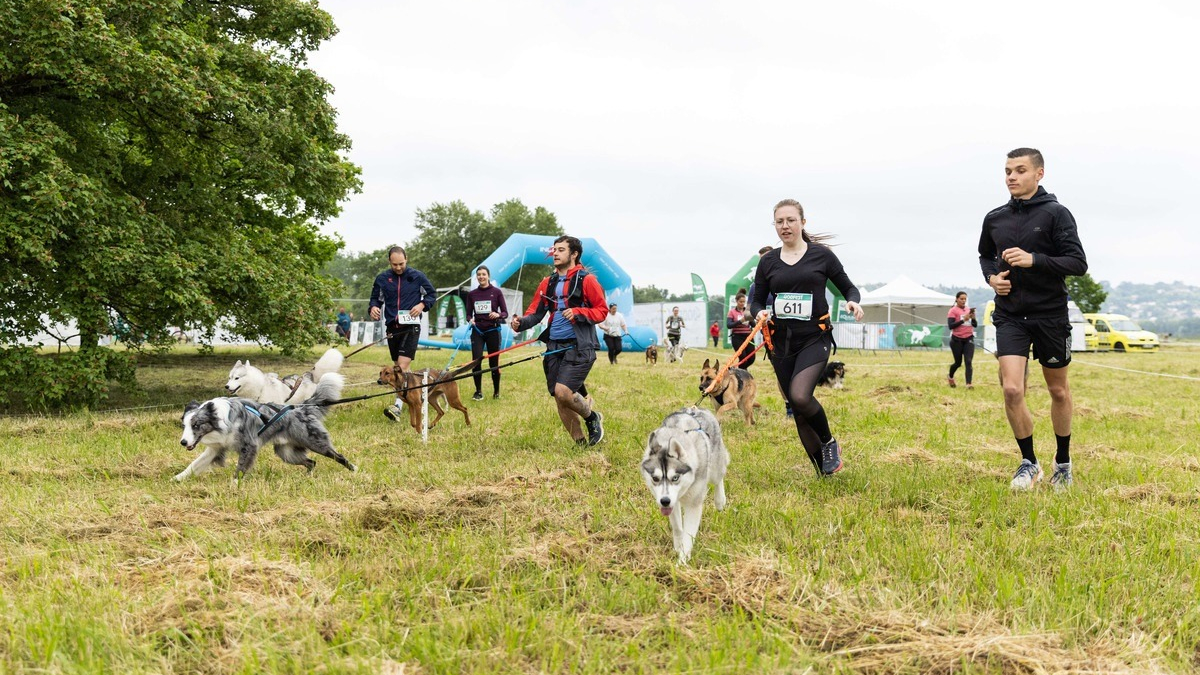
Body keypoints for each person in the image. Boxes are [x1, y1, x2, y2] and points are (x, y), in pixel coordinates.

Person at [979, 148, 1087, 491]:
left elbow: (1077, 263)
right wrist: (992, 279)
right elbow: (985, 255)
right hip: (1010, 315)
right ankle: (1029, 462)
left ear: (1038, 174)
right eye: (1008, 170)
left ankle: (1063, 462)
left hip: (1050, 315)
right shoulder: (995, 217)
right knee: (1012, 389)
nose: (1011, 176)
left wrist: (1034, 260)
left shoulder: (1057, 214)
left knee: (1058, 390)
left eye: (1020, 170)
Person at [752, 199, 863, 476]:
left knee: (801, 397)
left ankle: (828, 443)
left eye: (791, 220)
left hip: (815, 337)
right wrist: (759, 313)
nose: (785, 226)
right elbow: (755, 300)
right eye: (779, 221)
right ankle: (823, 472)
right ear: (774, 225)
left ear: (803, 222)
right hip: (780, 342)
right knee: (798, 409)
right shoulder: (767, 261)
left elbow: (848, 288)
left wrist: (853, 302)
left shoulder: (821, 256)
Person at [510, 236, 609, 446]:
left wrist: (578, 312)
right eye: (554, 249)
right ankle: (580, 444)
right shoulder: (548, 282)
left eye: (561, 250)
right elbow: (535, 313)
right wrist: (521, 323)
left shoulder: (587, 280)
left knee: (563, 392)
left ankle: (592, 417)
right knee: (559, 396)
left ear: (574, 254)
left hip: (580, 346)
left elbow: (601, 311)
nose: (555, 253)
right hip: (553, 346)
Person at [369, 246, 436, 422]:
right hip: (392, 326)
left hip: (411, 327)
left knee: (402, 367)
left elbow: (431, 295)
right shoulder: (382, 279)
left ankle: (397, 407)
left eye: (401, 264)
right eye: (394, 264)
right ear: (389, 262)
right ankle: (414, 396)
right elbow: (375, 298)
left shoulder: (417, 277)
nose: (398, 267)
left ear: (407, 259)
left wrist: (422, 305)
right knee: (398, 367)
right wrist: (373, 308)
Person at [467, 265, 508, 400]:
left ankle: (496, 392)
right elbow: (468, 315)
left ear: (488, 276)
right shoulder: (472, 294)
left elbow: (505, 313)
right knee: (476, 361)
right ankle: (478, 391)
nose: (481, 277)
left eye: (483, 274)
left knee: (493, 363)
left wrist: (497, 314)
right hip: (478, 330)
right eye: (479, 275)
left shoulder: (496, 292)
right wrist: (470, 320)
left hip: (493, 330)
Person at [946, 292, 977, 389]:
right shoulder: (952, 311)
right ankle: (950, 376)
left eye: (965, 299)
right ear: (956, 299)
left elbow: (975, 325)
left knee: (968, 361)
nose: (963, 301)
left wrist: (973, 318)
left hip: (969, 338)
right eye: (961, 299)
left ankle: (969, 384)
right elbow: (951, 326)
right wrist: (963, 320)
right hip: (956, 340)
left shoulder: (968, 309)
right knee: (958, 363)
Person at [726, 293, 755, 368]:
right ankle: (742, 372)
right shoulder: (732, 312)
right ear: (736, 301)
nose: (742, 303)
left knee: (751, 358)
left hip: (748, 337)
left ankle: (742, 370)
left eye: (743, 302)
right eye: (740, 302)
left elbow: (753, 324)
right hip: (737, 337)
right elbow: (729, 325)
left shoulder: (747, 311)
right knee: (743, 358)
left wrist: (751, 319)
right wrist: (740, 321)